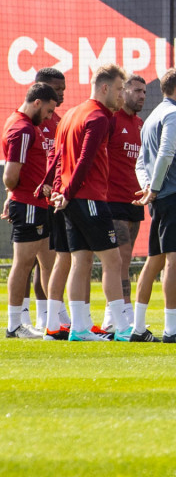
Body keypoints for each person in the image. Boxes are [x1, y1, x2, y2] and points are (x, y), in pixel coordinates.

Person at [43, 64, 130, 342]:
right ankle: (122, 327)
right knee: (113, 260)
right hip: (87, 197)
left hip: (71, 198)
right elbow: (85, 160)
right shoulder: (98, 117)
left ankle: (79, 329)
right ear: (104, 88)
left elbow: (57, 159)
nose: (122, 96)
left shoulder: (70, 115)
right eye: (119, 90)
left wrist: (55, 188)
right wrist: (66, 192)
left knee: (81, 260)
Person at [132, 68, 176, 343]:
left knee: (154, 262)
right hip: (174, 197)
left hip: (161, 197)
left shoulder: (151, 117)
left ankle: (138, 327)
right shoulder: (174, 114)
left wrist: (150, 186)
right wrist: (155, 187)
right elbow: (166, 151)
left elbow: (140, 161)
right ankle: (171, 329)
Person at [3, 83, 59, 338]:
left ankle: (56, 319)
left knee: (49, 263)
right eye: (48, 110)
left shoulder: (22, 124)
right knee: (23, 264)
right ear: (37, 102)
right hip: (28, 204)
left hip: (37, 203)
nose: (49, 117)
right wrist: (18, 193)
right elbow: (10, 176)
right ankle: (14, 324)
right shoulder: (23, 128)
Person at [102, 73, 145, 334]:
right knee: (118, 260)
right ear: (122, 91)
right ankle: (116, 316)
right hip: (112, 199)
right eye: (136, 91)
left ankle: (121, 315)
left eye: (144, 92)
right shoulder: (110, 120)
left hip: (135, 199)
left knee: (125, 262)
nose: (141, 95)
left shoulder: (140, 123)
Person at [34, 67, 70, 336]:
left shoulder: (59, 121)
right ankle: (35, 316)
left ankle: (46, 316)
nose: (61, 94)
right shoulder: (29, 120)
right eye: (57, 89)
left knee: (47, 261)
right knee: (31, 261)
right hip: (32, 199)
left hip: (54, 200)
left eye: (63, 89)